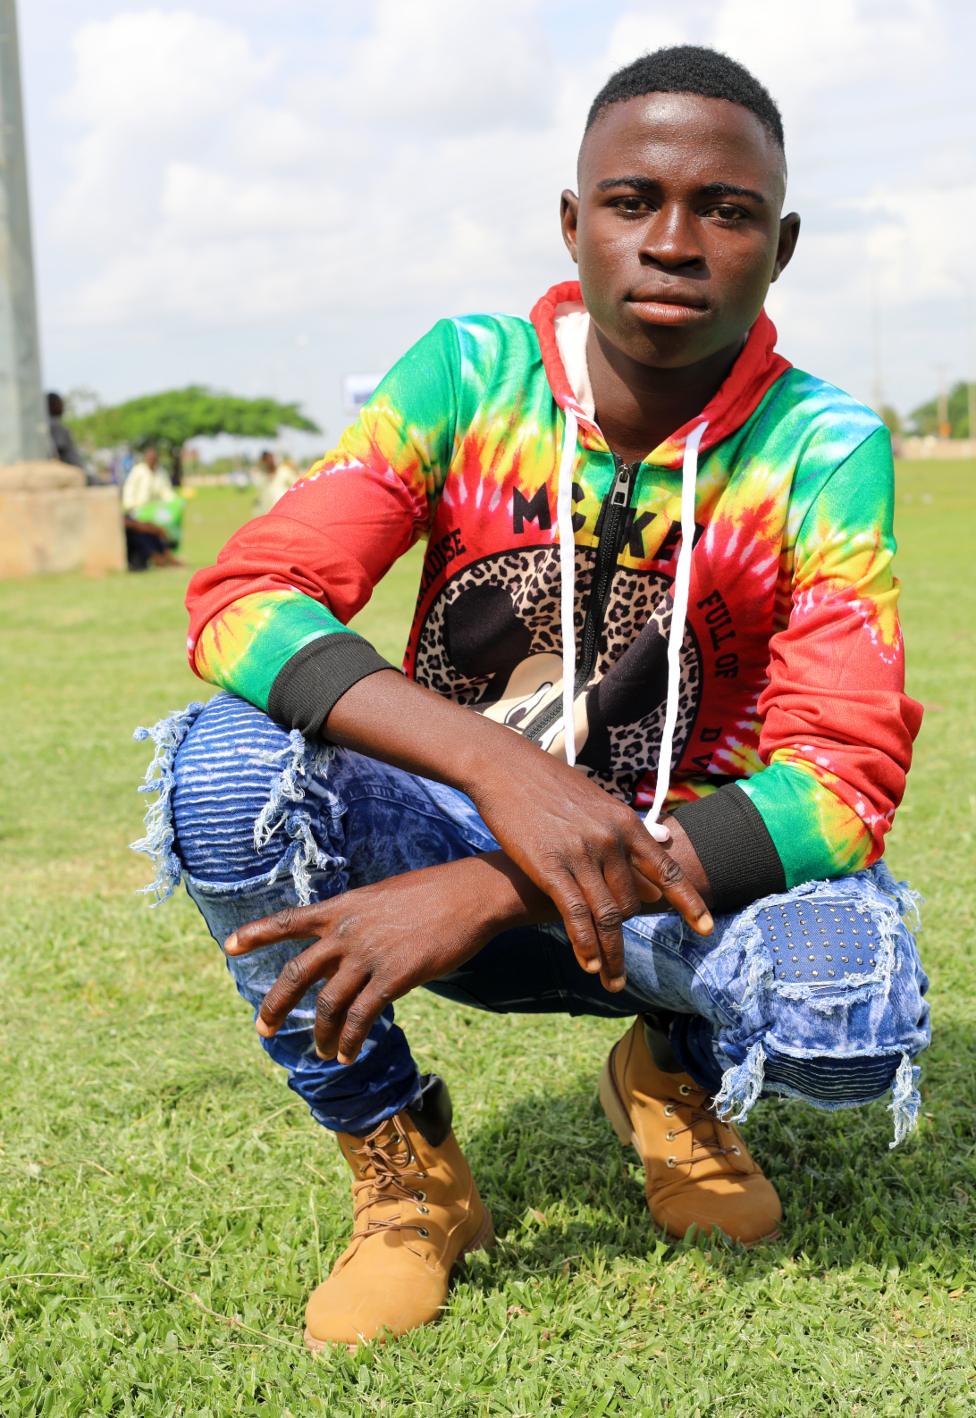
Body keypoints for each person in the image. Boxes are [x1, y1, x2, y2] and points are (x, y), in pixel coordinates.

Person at [135, 46, 928, 1351]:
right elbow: (244, 597)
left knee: (849, 1002)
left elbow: (844, 776)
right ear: (574, 222)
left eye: (723, 212)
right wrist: (501, 776)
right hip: (430, 837)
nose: (672, 241)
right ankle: (403, 1168)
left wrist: (506, 879)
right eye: (632, 200)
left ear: (778, 245)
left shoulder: (820, 444)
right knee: (219, 767)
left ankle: (669, 1074)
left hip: (667, 891)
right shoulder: (470, 375)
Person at [122, 445, 185, 552]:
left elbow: (166, 492)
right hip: (137, 510)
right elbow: (129, 490)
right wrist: (130, 506)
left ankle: (167, 550)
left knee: (167, 526)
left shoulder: (161, 472)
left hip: (154, 511)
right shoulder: (138, 471)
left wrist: (176, 502)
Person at [253, 448, 302, 516]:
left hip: (284, 509)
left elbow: (297, 483)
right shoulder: (261, 476)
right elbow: (260, 494)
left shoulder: (283, 471)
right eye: (266, 460)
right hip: (267, 511)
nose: (269, 462)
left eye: (270, 459)